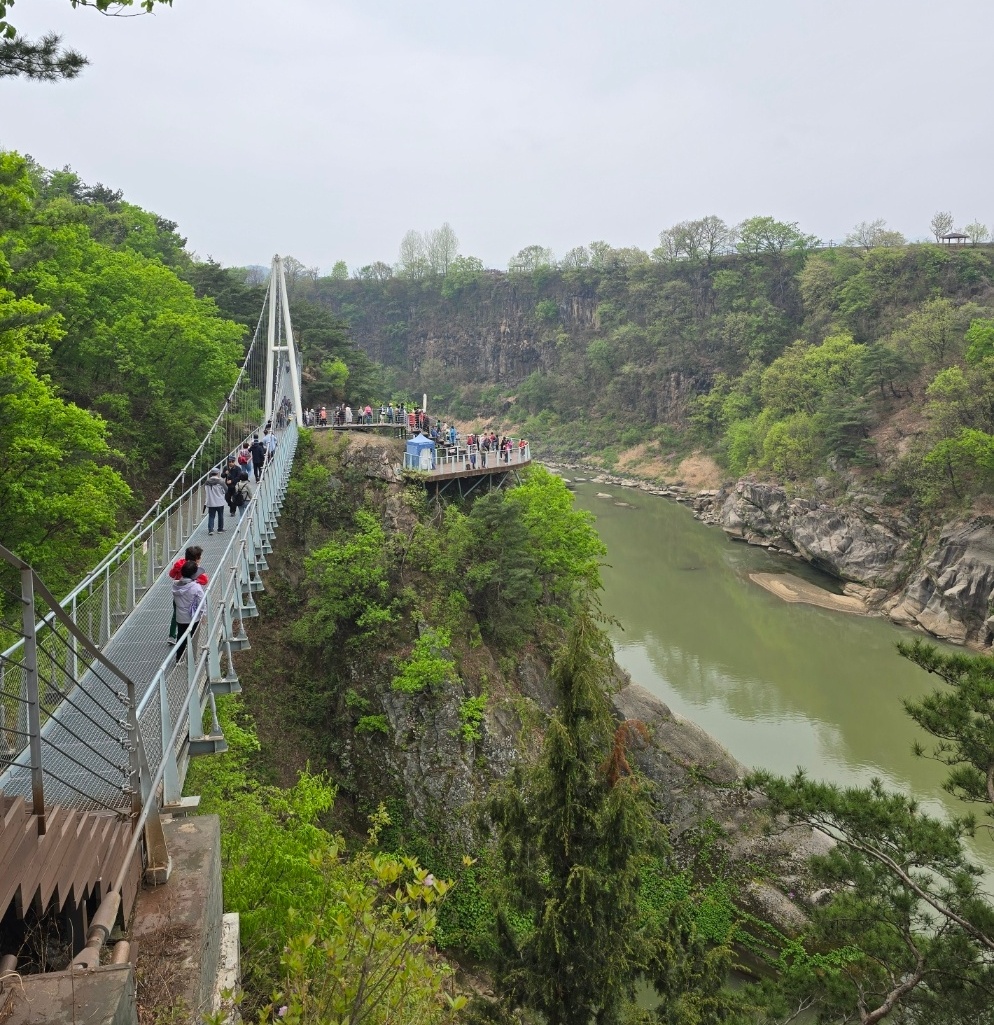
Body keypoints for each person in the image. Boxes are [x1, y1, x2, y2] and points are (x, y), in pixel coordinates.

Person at [168, 546, 207, 643]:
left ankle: (172, 635)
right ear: (196, 559)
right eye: (199, 558)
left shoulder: (179, 563)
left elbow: (171, 574)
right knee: (190, 617)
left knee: (176, 613)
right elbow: (204, 580)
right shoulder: (194, 570)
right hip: (191, 597)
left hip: (177, 593)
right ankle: (189, 640)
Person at [173, 560, 206, 663]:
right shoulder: (196, 588)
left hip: (180, 616)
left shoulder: (175, 585)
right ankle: (192, 660)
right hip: (192, 617)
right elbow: (201, 603)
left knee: (181, 636)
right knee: (193, 639)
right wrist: (204, 615)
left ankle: (179, 658)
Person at [204, 468, 226, 534]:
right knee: (220, 515)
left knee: (211, 516)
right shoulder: (221, 482)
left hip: (211, 502)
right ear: (218, 473)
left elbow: (205, 491)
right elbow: (225, 490)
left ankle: (210, 530)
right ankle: (220, 529)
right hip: (220, 502)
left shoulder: (207, 482)